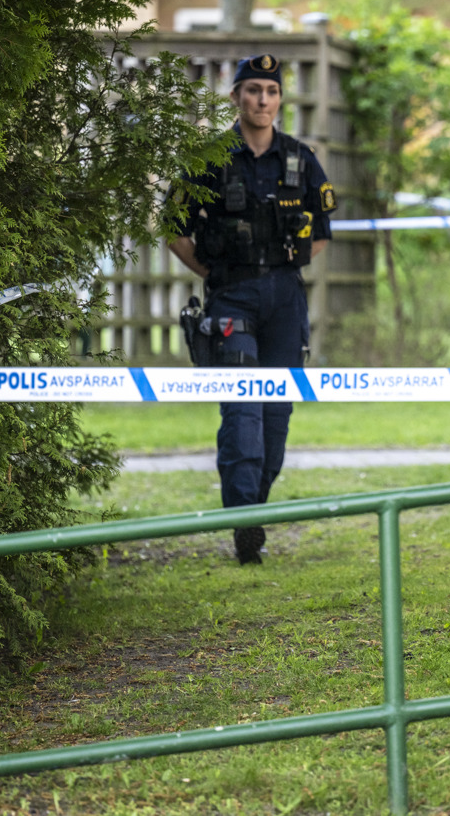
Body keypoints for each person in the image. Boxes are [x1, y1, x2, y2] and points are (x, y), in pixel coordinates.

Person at [167, 54, 337, 565]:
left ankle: (253, 514)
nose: (262, 99)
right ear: (236, 96)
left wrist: (286, 267)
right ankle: (243, 523)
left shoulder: (300, 158)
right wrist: (215, 274)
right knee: (242, 414)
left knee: (276, 416)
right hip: (231, 296)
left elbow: (323, 233)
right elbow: (173, 228)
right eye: (253, 90)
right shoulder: (209, 158)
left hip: (285, 298)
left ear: (279, 99)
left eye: (271, 90)